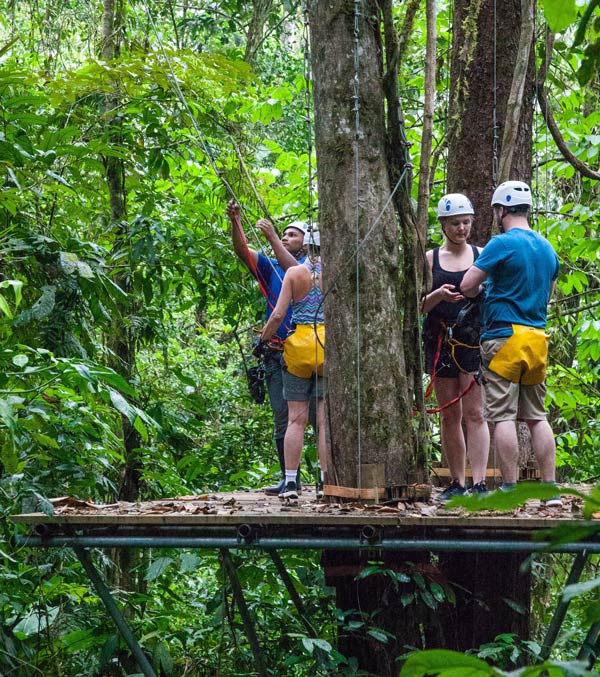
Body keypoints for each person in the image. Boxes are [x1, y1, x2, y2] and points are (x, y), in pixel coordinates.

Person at [460, 180, 561, 507]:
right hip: (536, 339)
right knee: (536, 416)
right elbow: (548, 294)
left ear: (500, 210)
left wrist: (481, 293)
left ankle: (509, 487)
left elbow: (467, 284)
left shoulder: (501, 244)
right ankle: (550, 489)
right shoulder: (547, 249)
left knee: (502, 416)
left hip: (504, 337)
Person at [226, 201, 309, 494]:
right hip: (278, 353)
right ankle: (290, 478)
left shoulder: (310, 270)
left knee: (320, 417)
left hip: (310, 351)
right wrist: (236, 221)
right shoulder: (271, 268)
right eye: (284, 234)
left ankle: (325, 477)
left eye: (293, 235)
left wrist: (273, 237)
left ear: (308, 242)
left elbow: (297, 272)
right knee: (282, 417)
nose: (286, 237)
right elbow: (243, 253)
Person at [422, 193, 490, 501]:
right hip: (440, 338)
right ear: (443, 225)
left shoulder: (482, 254)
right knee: (449, 414)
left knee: (475, 413)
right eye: (455, 224)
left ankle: (479, 483)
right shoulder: (430, 258)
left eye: (465, 222)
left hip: (472, 340)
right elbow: (419, 306)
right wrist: (438, 295)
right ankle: (457, 482)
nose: (461, 229)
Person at [259, 228, 327, 500]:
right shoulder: (332, 273)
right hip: (326, 345)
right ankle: (324, 481)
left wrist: (263, 339)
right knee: (323, 421)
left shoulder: (294, 273)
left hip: (298, 346)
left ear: (307, 247)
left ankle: (289, 482)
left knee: (295, 419)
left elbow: (278, 315)